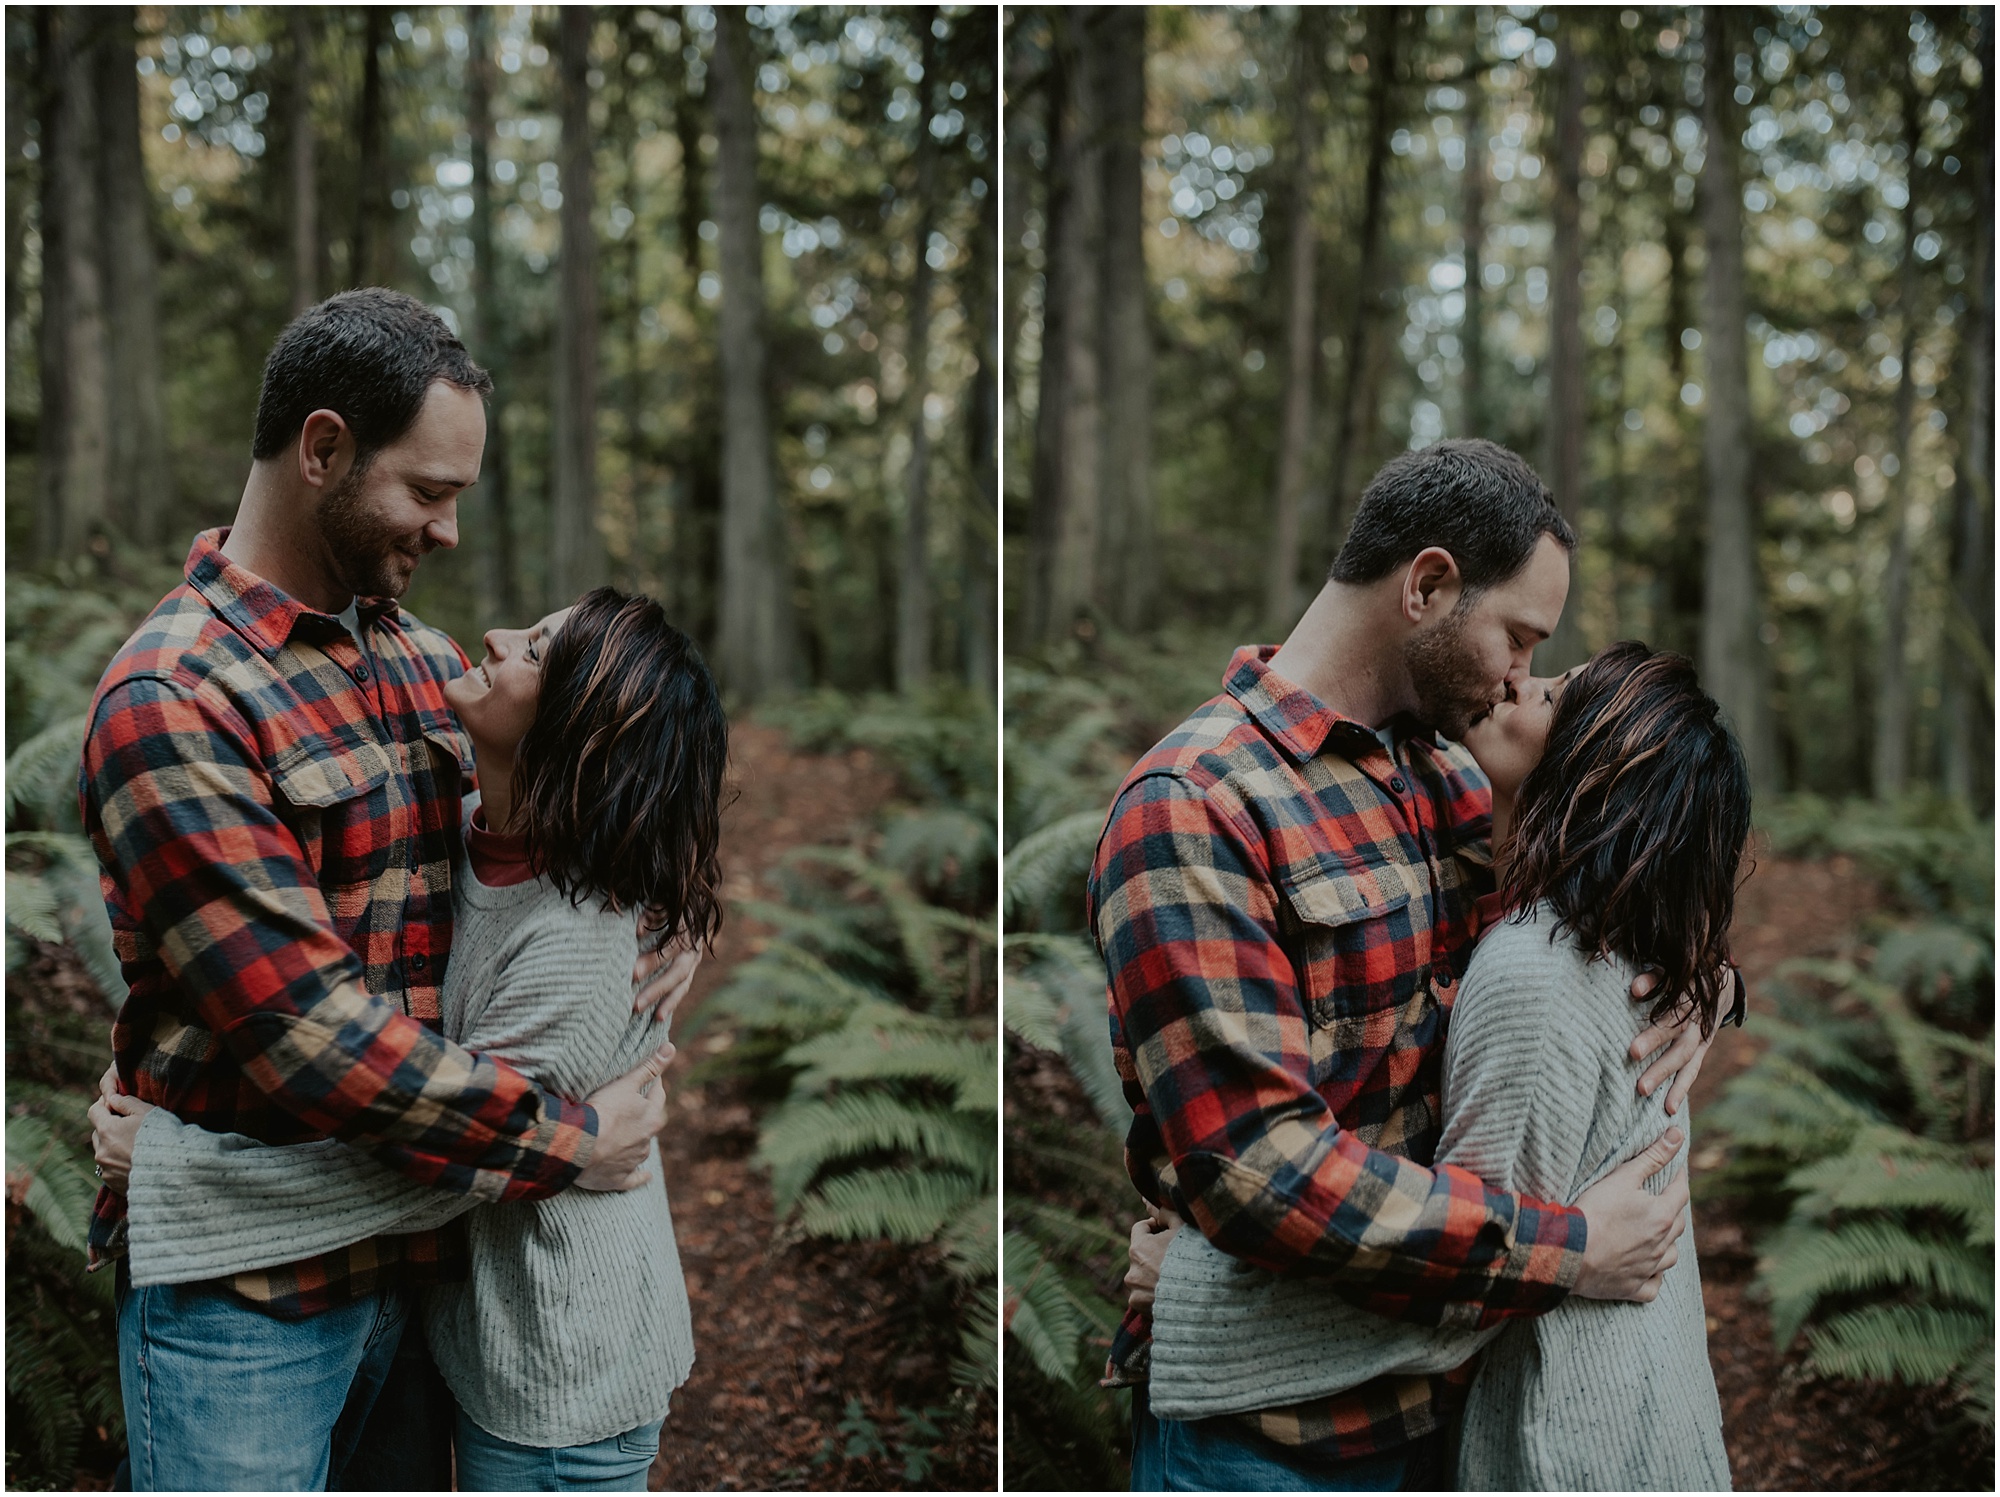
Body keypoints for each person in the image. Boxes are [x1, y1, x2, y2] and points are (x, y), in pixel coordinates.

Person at [78, 289, 693, 1491]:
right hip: (245, 1315)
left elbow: (558, 832)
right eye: (429, 492)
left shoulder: (413, 659)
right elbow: (310, 1036)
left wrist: (664, 921)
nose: (449, 534)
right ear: (323, 450)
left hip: (420, 1291)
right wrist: (568, 1140)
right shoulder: (175, 698)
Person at [1089, 439, 1723, 1491]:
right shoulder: (1195, 808)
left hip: (1445, 1422)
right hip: (1269, 1444)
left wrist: (1695, 983)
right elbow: (1260, 1169)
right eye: (1518, 638)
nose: (1521, 677)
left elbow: (1611, 872)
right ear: (1425, 586)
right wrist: (1566, 1252)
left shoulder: (1450, 775)